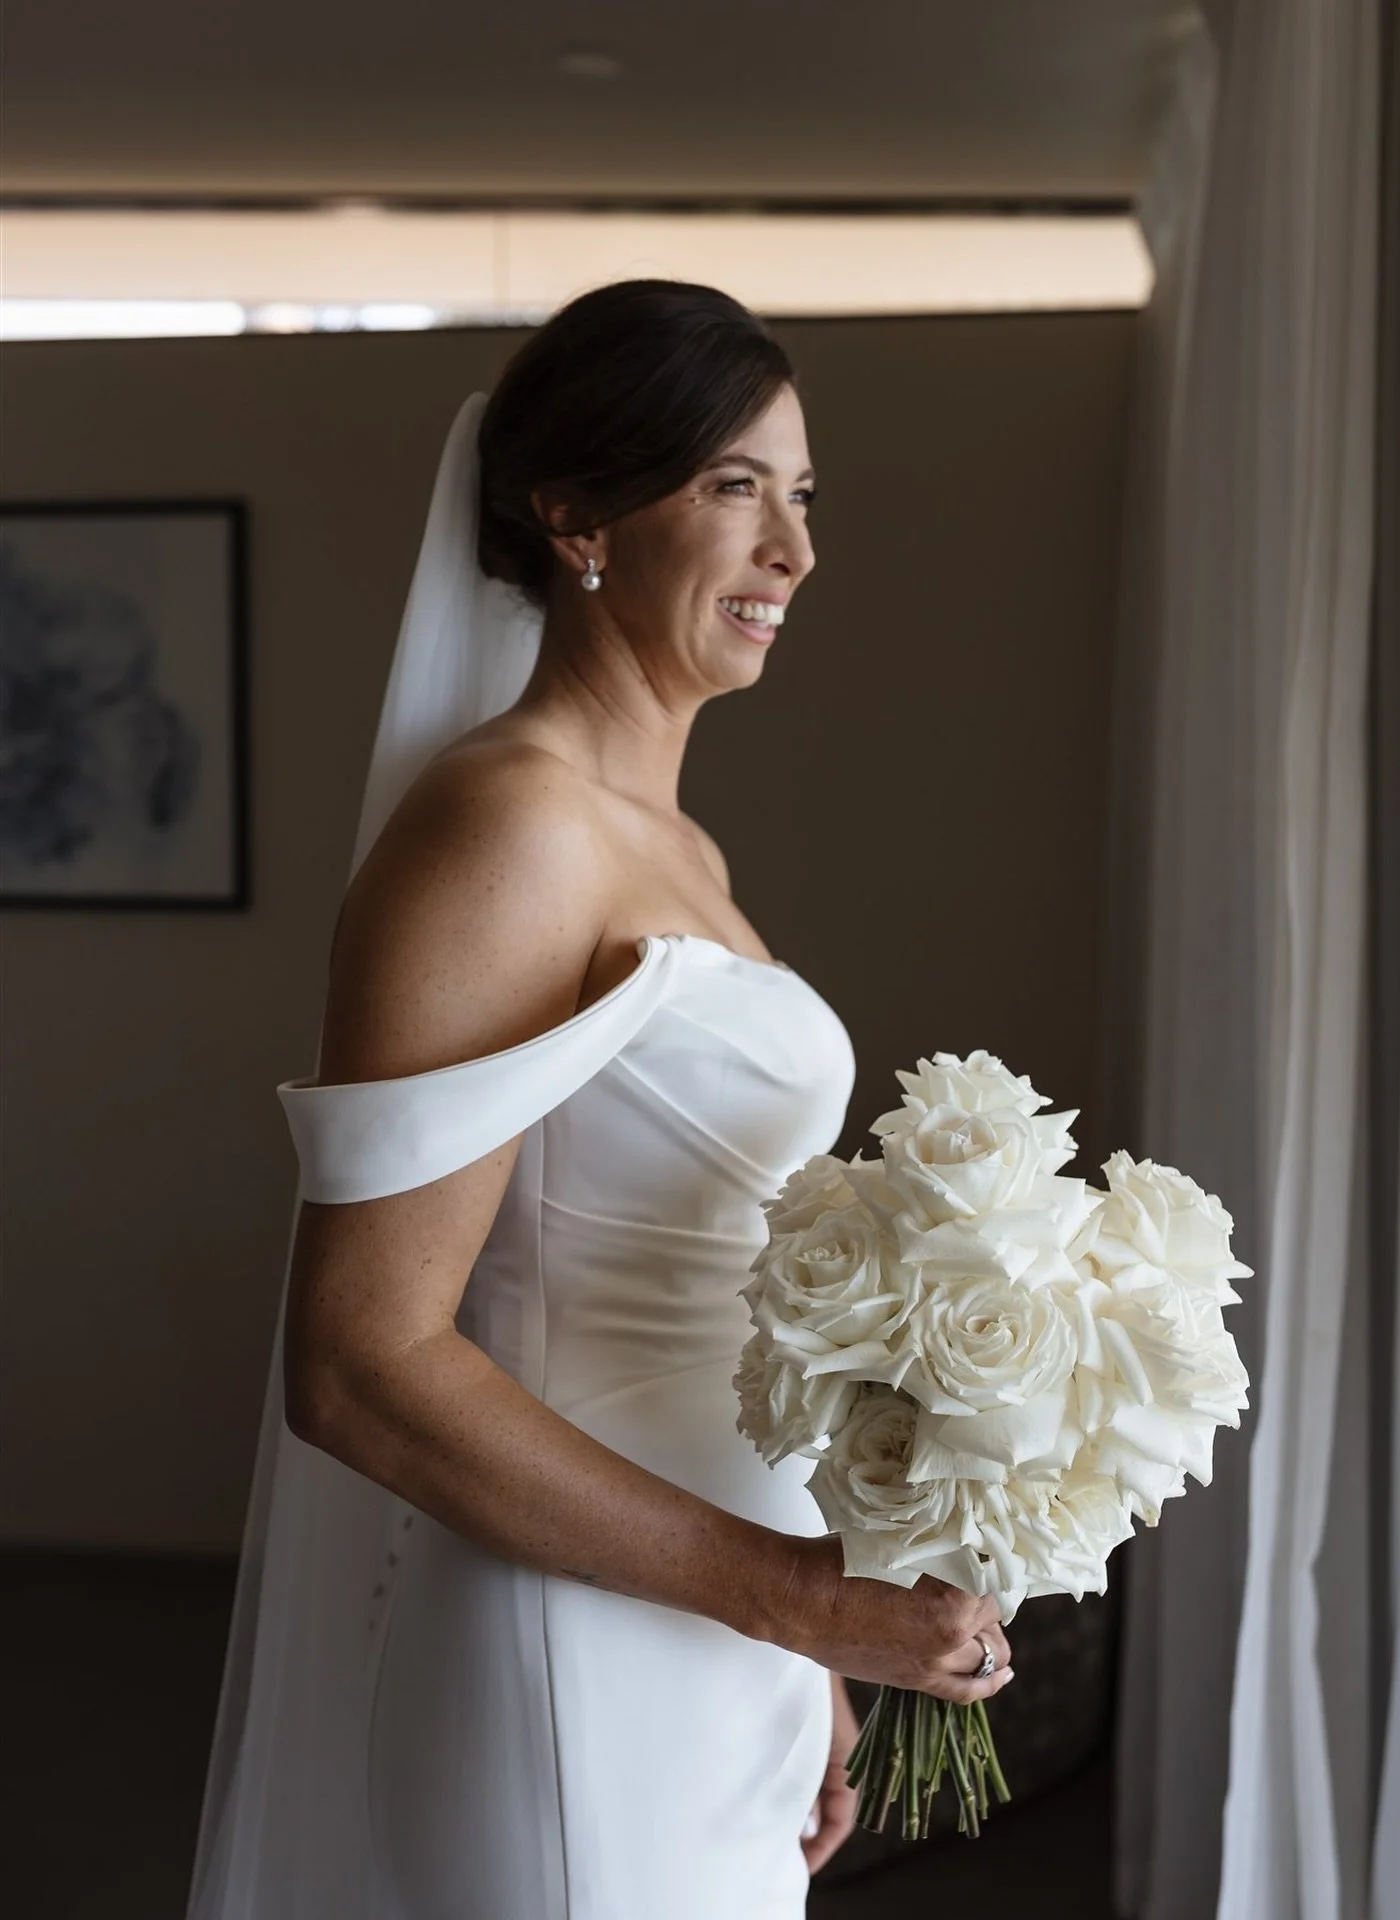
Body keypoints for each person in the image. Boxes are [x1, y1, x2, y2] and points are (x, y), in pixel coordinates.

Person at [187, 280, 1013, 1920]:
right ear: (575, 517)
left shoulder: (680, 849)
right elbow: (359, 1366)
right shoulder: (509, 826)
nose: (794, 549)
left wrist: (810, 1660)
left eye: (802, 495)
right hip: (575, 1656)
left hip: (726, 1635)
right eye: (733, 486)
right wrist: (795, 1601)